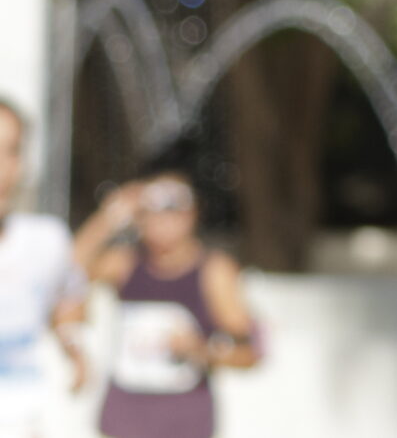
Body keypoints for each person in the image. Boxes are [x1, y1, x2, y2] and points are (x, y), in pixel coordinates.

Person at [69, 173, 260, 438]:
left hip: (184, 420)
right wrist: (110, 216)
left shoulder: (213, 272)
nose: (162, 221)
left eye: (173, 210)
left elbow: (250, 352)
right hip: (124, 416)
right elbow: (69, 269)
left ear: (192, 214)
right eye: (152, 211)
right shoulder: (126, 262)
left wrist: (201, 350)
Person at [0, 99, 86, 438]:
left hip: (30, 421)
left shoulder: (47, 240)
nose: (3, 169)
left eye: (12, 151)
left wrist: (73, 345)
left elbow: (68, 299)